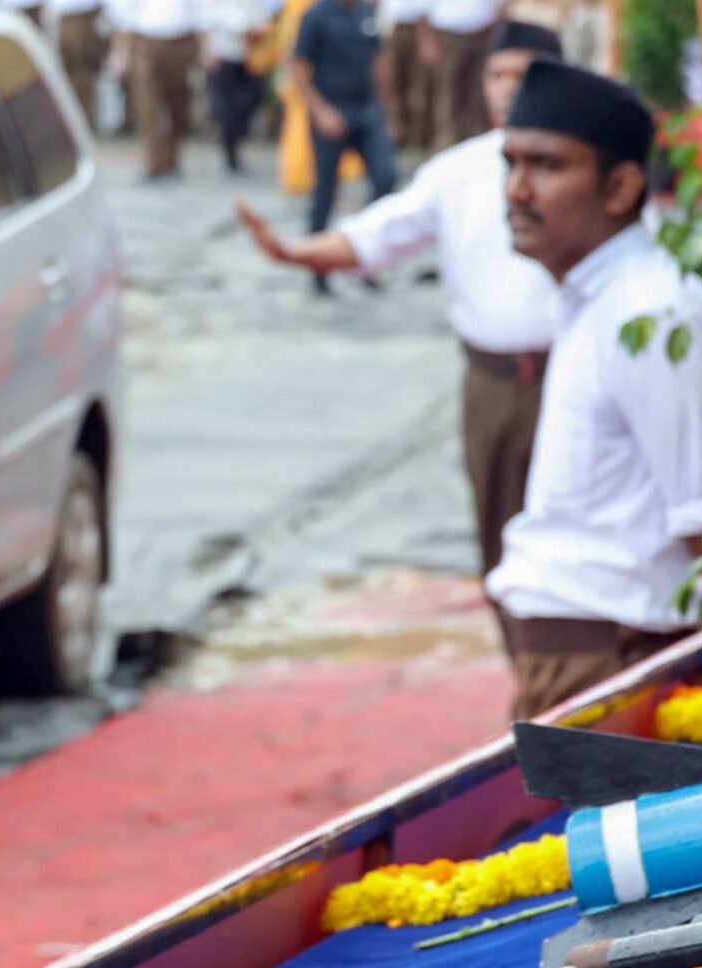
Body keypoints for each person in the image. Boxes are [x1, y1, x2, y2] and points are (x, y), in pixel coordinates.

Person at [236, 21, 562, 579]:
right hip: (494, 383)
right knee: (503, 542)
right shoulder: (459, 172)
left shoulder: (589, 167)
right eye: (497, 75)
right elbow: (376, 236)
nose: (509, 88)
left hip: (574, 371)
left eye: (523, 75)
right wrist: (292, 251)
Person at [490, 59, 702, 716]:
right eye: (511, 163)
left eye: (547, 166)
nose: (517, 190)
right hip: (574, 656)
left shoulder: (649, 314)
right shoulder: (592, 294)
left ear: (620, 187)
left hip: (610, 663)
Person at [291, 0, 397, 291]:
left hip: (366, 109)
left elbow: (378, 61)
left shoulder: (367, 12)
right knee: (325, 192)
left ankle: (367, 258)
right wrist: (320, 111)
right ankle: (318, 269)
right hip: (332, 107)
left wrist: (386, 113)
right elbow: (299, 67)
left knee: (385, 178)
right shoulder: (315, 16)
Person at [109, 0, 204, 181]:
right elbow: (123, 13)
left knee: (179, 102)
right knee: (147, 103)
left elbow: (200, 10)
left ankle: (172, 156)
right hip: (145, 37)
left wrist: (205, 45)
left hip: (181, 38)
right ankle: (153, 160)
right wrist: (120, 51)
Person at [202, 0, 272, 172]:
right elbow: (209, 22)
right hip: (224, 55)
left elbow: (262, 22)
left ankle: (237, 131)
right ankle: (230, 153)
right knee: (227, 106)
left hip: (250, 58)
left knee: (254, 96)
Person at [422, 0, 503, 144]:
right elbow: (425, 8)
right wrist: (428, 40)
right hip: (450, 33)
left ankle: (475, 136)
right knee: (448, 88)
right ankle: (447, 138)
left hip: (483, 31)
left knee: (478, 89)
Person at [378, 0, 433, 147]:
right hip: (391, 27)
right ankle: (397, 134)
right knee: (393, 85)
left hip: (419, 25)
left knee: (418, 86)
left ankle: (417, 137)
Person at [54, 0, 111, 128]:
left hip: (82, 12)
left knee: (83, 71)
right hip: (64, 13)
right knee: (69, 71)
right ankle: (74, 118)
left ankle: (85, 119)